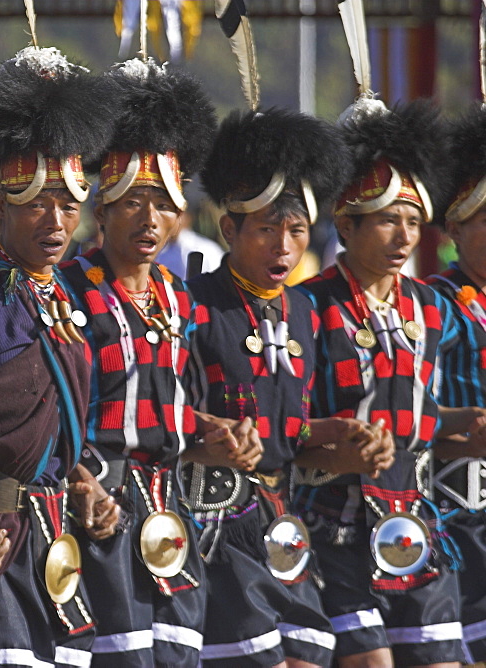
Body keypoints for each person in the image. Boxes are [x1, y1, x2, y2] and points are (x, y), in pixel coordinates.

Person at [191, 103, 390, 668]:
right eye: (267, 229)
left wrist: (348, 435)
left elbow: (292, 430)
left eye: (297, 230)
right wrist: (211, 432)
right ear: (230, 229)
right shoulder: (197, 305)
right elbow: (166, 415)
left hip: (282, 522)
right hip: (216, 526)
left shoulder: (302, 311)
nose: (283, 246)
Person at [0, 41, 117, 667]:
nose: (53, 219)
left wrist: (87, 479)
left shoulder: (71, 298)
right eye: (37, 202)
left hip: (56, 540)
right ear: (3, 201)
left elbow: (78, 423)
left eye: (69, 205)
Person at [294, 98, 483, 668]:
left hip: (417, 524)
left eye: (411, 221)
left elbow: (415, 415)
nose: (403, 237)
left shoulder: (431, 309)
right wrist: (336, 447)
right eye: (385, 219)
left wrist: (462, 425)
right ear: (345, 224)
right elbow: (281, 424)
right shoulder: (307, 307)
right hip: (335, 527)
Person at [58, 58, 216, 667]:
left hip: (169, 507)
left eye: (162, 203)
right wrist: (80, 483)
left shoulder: (178, 298)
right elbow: (57, 407)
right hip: (98, 501)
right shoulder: (72, 288)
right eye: (130, 202)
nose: (148, 220)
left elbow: (173, 404)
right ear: (101, 208)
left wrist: (211, 428)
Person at [424, 104, 486, 664]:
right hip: (457, 513)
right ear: (454, 229)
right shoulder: (434, 305)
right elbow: (406, 421)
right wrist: (466, 435)